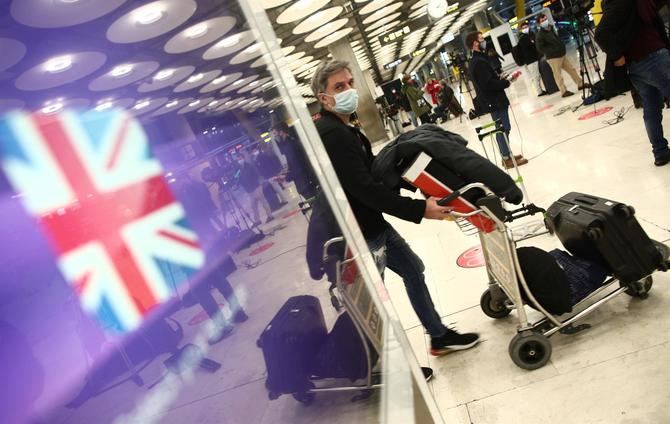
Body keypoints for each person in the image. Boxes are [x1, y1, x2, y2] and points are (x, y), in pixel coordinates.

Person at [310, 59, 480, 358]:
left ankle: (438, 337)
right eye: (340, 87)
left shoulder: (345, 127)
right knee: (374, 302)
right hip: (360, 235)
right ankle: (386, 364)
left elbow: (371, 174)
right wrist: (419, 209)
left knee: (414, 270)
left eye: (350, 83)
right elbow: (364, 189)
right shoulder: (332, 134)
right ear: (324, 98)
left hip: (373, 225)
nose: (349, 90)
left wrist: (411, 183)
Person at [595, 0, 670, 166]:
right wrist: (616, 55)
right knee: (652, 107)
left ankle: (660, 152)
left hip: (641, 61)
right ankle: (660, 150)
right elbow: (601, 33)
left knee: (651, 107)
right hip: (650, 56)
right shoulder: (621, 2)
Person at [467, 31, 529, 169]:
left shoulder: (478, 59)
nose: (484, 41)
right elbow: (488, 85)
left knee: (502, 128)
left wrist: (501, 79)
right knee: (503, 128)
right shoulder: (478, 62)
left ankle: (507, 154)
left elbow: (488, 80)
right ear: (475, 43)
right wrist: (506, 83)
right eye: (481, 39)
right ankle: (506, 158)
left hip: (494, 99)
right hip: (494, 100)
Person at [536, 14, 587, 98]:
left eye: (545, 19)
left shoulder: (551, 28)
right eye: (542, 21)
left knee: (572, 70)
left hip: (561, 54)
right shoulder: (540, 35)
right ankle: (563, 91)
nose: (545, 21)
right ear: (539, 23)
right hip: (553, 58)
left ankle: (580, 84)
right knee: (558, 75)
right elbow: (540, 48)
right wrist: (552, 51)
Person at [272, 121, 319, 199]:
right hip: (305, 181)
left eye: (275, 134)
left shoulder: (290, 146)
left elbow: (298, 167)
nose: (275, 137)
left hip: (306, 182)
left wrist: (286, 178)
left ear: (281, 132)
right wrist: (285, 175)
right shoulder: (290, 143)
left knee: (316, 204)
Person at [237, 153, 274, 226]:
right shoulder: (240, 169)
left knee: (263, 202)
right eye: (238, 159)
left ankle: (270, 216)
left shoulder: (249, 166)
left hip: (256, 187)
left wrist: (255, 183)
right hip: (250, 190)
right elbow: (241, 179)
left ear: (243, 158)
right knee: (253, 206)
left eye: (240, 158)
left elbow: (256, 175)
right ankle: (257, 220)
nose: (239, 160)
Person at [517, 21, 547, 96]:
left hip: (535, 58)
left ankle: (540, 89)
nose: (525, 29)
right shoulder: (522, 38)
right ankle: (539, 91)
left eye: (526, 27)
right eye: (523, 28)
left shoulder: (531, 34)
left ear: (529, 27)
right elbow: (531, 47)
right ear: (521, 29)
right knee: (535, 75)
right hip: (530, 60)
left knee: (538, 75)